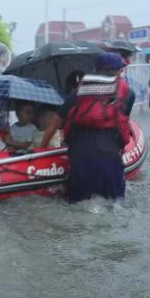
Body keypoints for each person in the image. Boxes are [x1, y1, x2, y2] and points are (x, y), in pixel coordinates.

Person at [61, 52, 134, 203]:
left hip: (80, 155)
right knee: (115, 205)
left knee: (78, 204)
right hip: (109, 155)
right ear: (118, 71)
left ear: (95, 69)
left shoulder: (79, 90)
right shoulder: (128, 92)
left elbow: (62, 114)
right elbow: (124, 120)